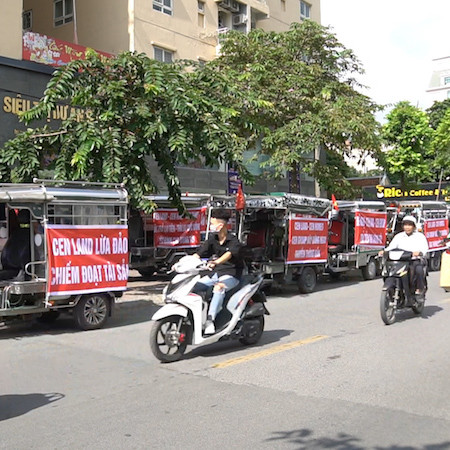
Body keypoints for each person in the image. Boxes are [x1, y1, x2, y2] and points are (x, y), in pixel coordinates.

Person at [193, 209, 243, 334]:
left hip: (231, 275)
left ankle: (210, 321)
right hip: (214, 274)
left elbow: (228, 254)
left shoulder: (233, 241)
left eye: (212, 224)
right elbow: (200, 253)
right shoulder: (212, 239)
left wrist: (216, 262)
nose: (210, 226)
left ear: (220, 225)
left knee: (218, 288)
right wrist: (183, 263)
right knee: (193, 287)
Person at [379, 215, 429, 300]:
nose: (407, 227)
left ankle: (419, 289)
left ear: (414, 226)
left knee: (418, 270)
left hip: (413, 260)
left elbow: (424, 248)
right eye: (405, 225)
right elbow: (391, 247)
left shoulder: (420, 236)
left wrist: (419, 253)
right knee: (388, 272)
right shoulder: (399, 236)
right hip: (400, 261)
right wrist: (384, 251)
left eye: (410, 225)